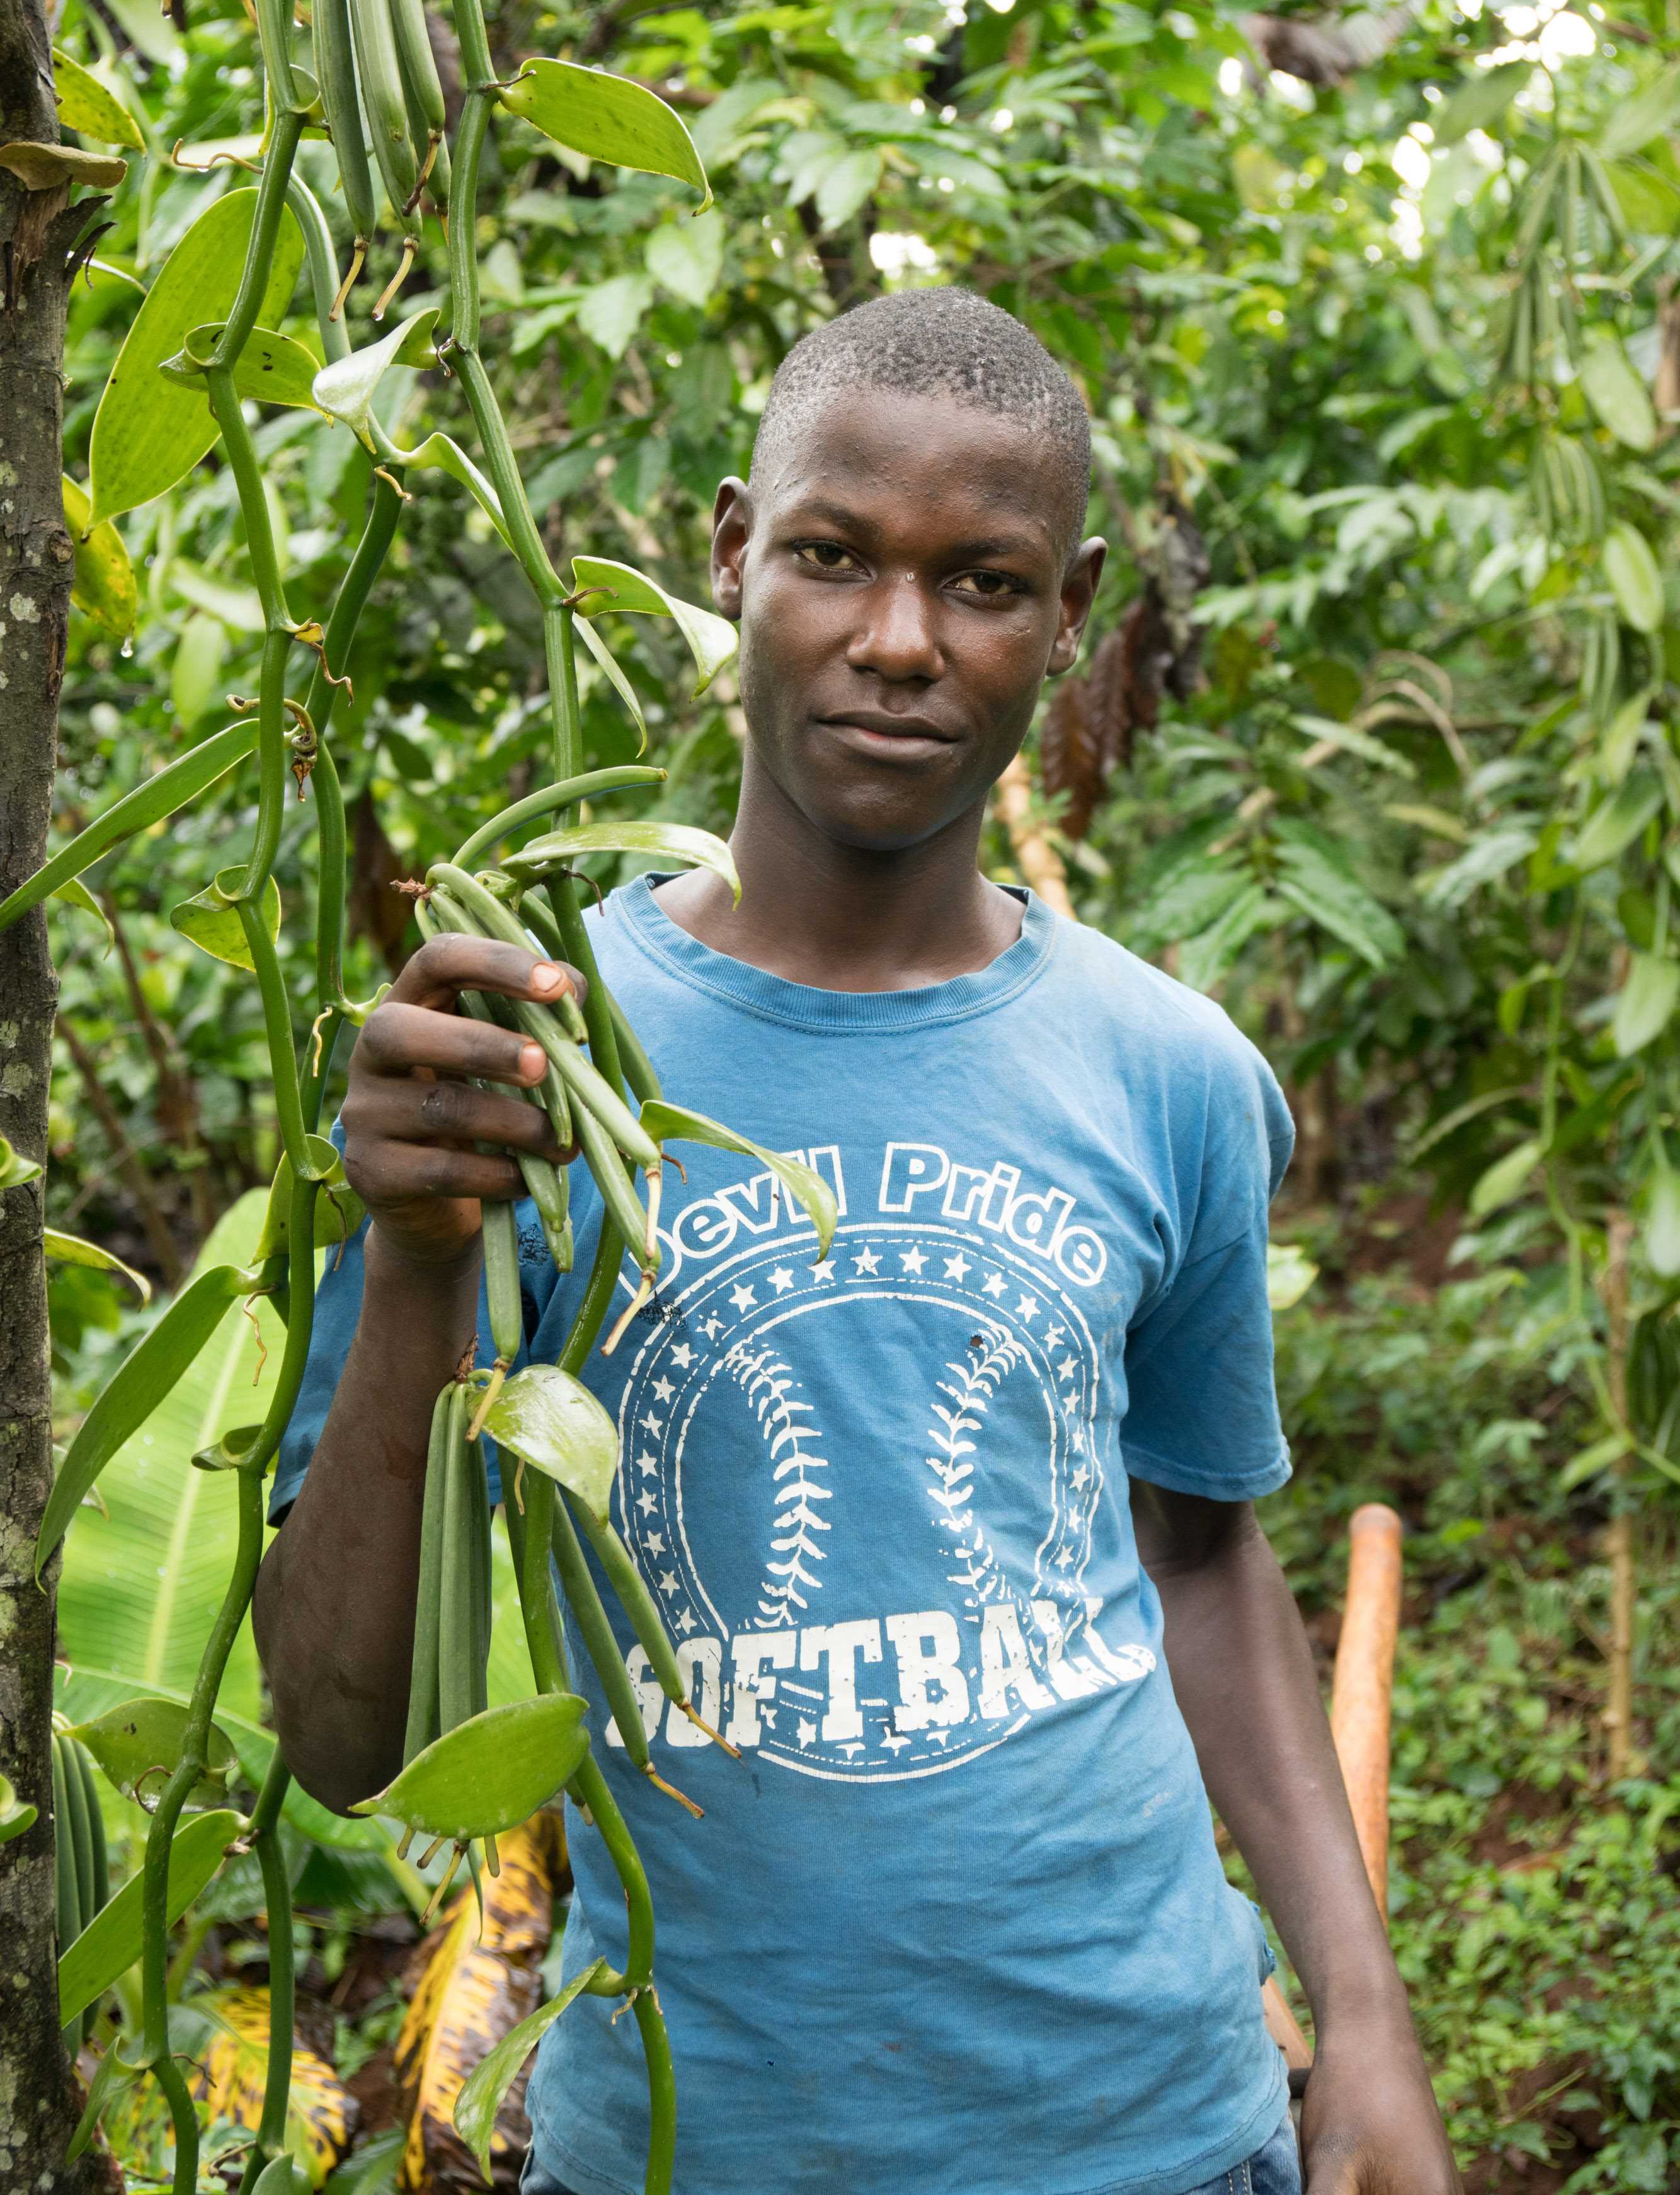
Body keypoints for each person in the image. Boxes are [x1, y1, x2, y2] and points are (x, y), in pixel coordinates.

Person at [254, 288, 1459, 2195]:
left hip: (1152, 2128)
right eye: (833, 557)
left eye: (981, 584)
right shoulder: (529, 1069)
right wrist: (410, 1259)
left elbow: (1205, 1560)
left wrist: (1364, 2018)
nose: (899, 643)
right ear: (734, 552)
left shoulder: (1169, 1075)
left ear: (1067, 619)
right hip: (685, 2145)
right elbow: (336, 1737)